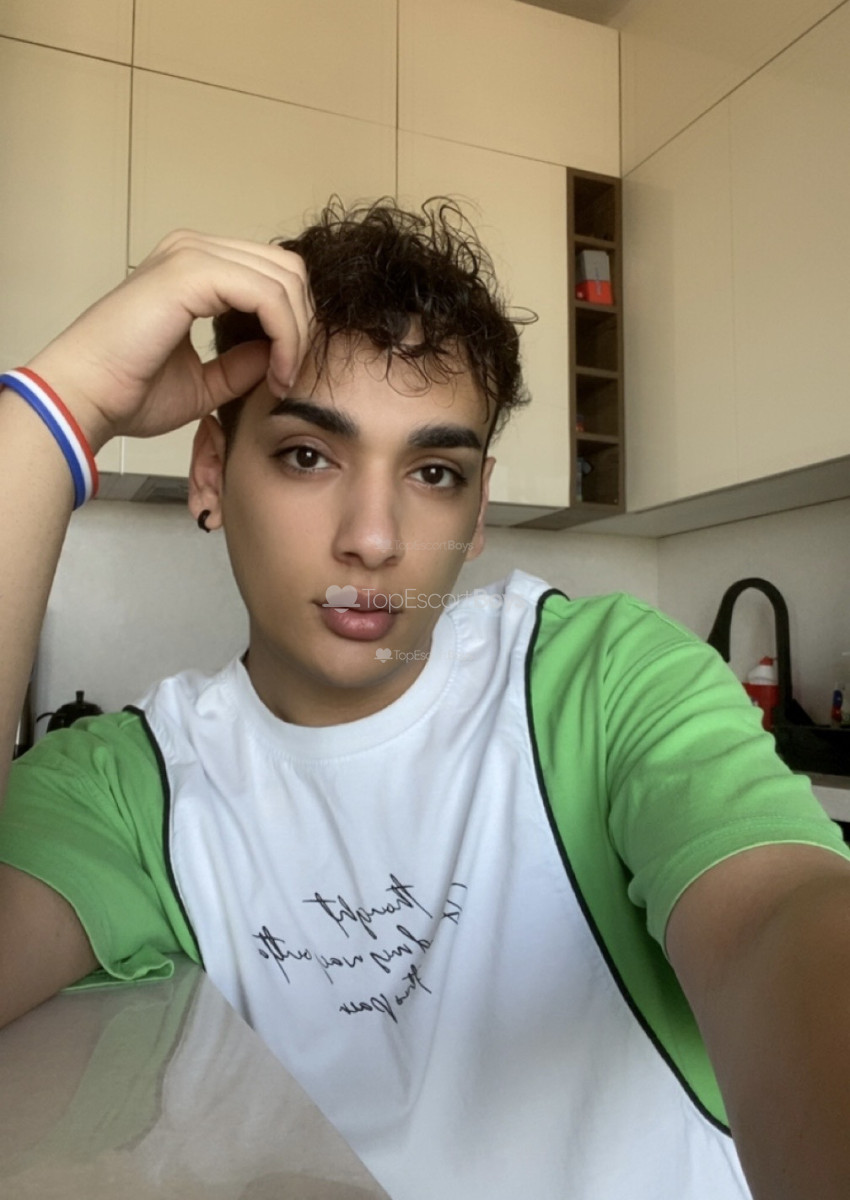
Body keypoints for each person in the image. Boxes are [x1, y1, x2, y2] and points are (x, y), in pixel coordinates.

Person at [1, 198, 849, 1200]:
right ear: (213, 473)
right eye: (308, 455)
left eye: (434, 471)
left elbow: (779, 922)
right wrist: (54, 409)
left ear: (478, 511)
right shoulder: (125, 787)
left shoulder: (603, 680)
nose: (374, 538)